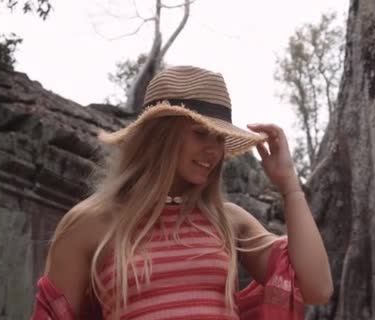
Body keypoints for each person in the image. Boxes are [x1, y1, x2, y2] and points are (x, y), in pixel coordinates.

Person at [34, 65, 333, 319]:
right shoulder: (89, 224)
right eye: (199, 133)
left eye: (219, 139)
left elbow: (316, 288)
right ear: (159, 136)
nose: (212, 150)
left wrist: (289, 185)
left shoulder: (227, 221)